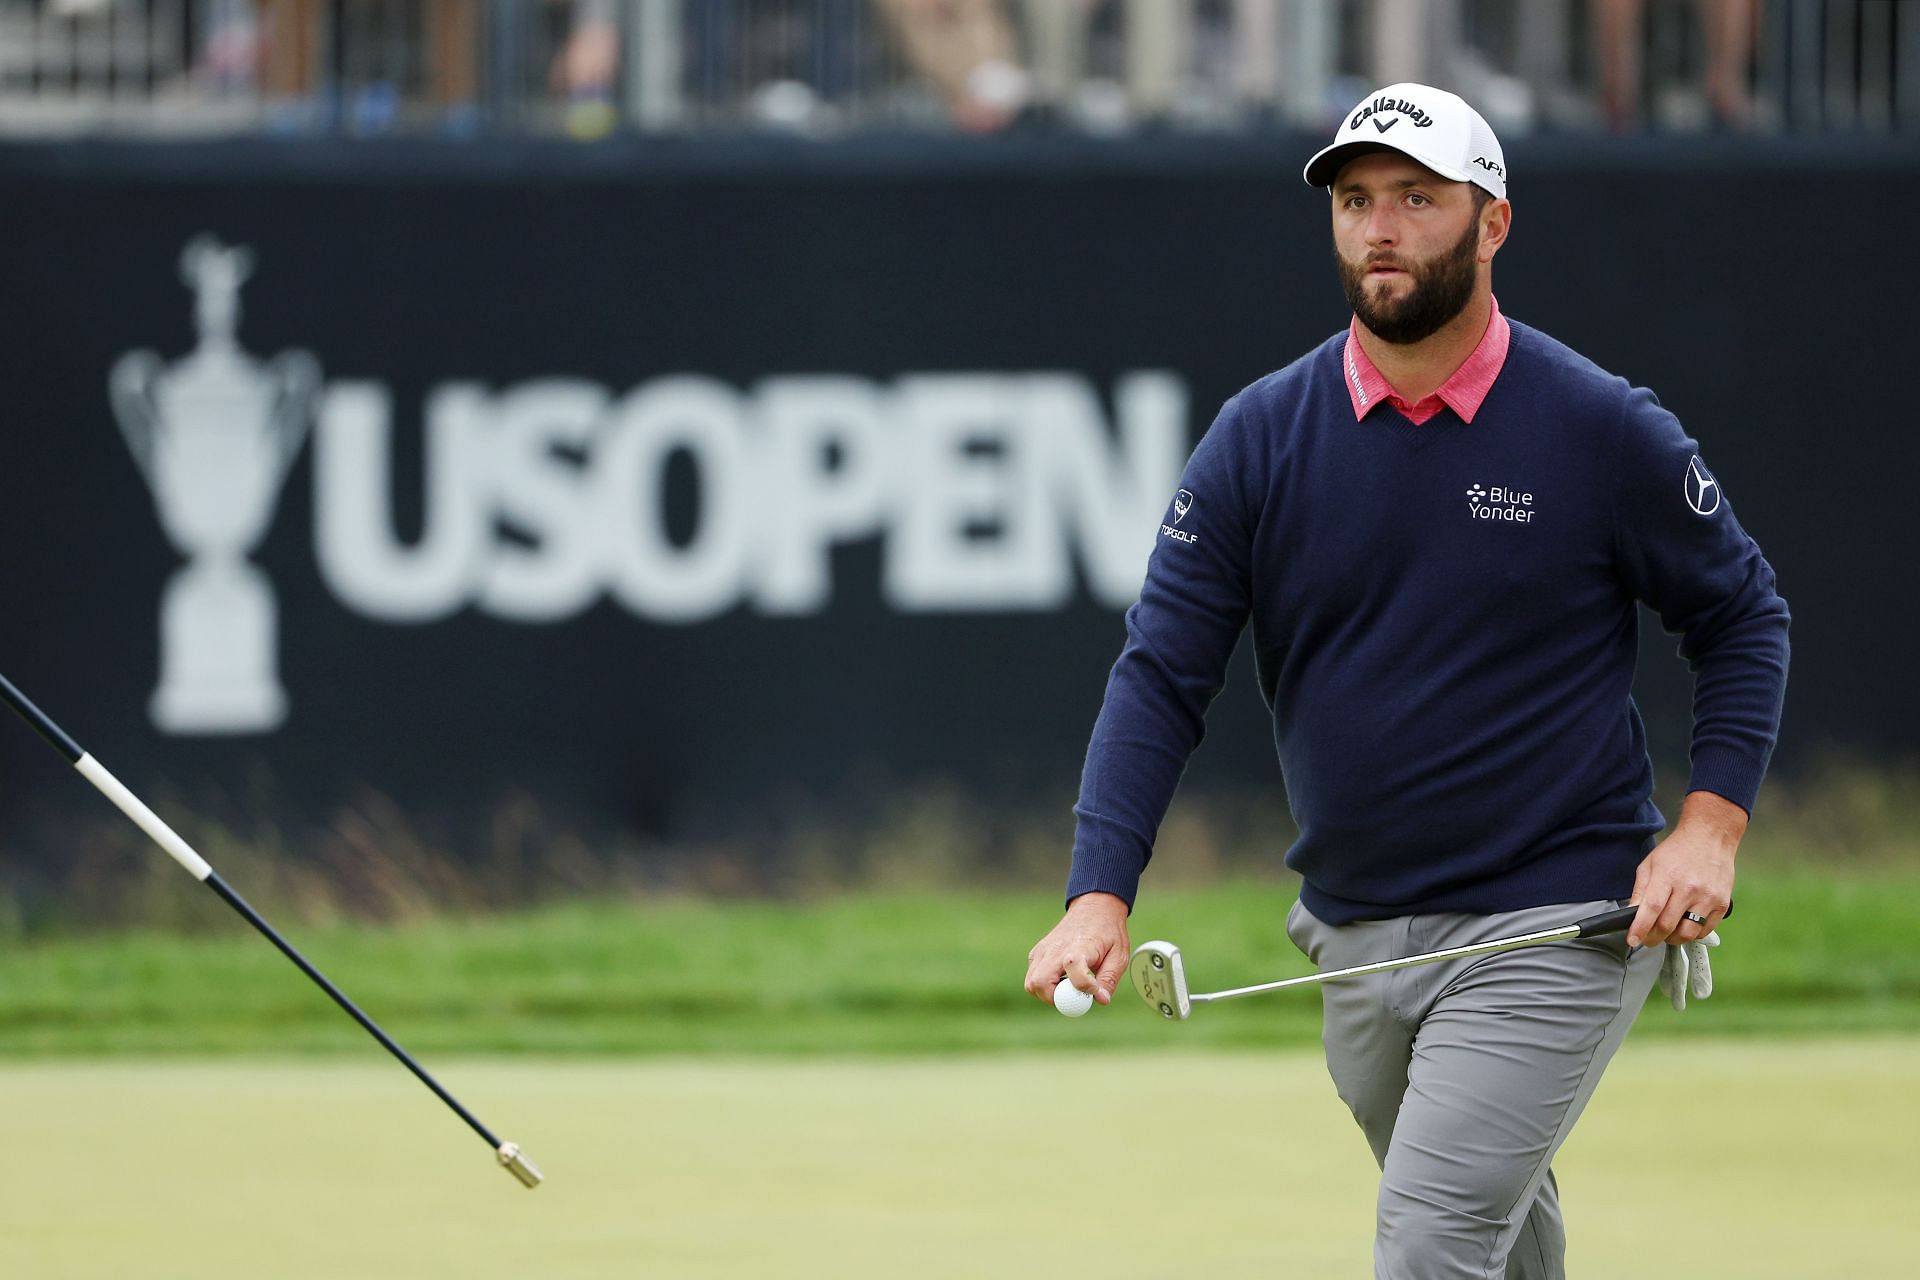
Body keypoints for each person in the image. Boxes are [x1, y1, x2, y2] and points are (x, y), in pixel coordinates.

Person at [1023, 81, 1789, 1278]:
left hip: (1557, 919)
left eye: (1418, 199)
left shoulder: (1598, 427)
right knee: (1497, 1237)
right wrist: (1097, 891)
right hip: (1355, 930)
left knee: (1431, 1241)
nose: (1379, 227)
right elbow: (1163, 671)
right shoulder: (1260, 436)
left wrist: (1710, 826)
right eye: (1357, 199)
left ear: (1492, 224)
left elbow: (1743, 614)